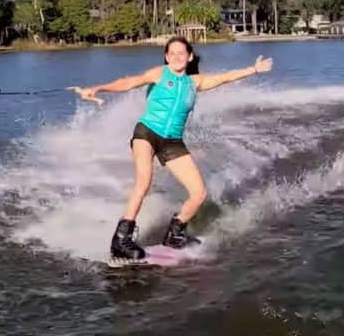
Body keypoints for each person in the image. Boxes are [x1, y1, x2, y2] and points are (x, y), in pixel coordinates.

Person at [71, 36, 273, 262]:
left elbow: (225, 78)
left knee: (199, 193)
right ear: (167, 58)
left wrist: (253, 69)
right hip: (146, 133)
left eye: (181, 53)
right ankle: (120, 240)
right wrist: (98, 88)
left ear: (189, 57)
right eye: (172, 53)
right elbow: (128, 82)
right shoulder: (159, 73)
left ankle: (174, 234)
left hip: (173, 142)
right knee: (143, 183)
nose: (177, 57)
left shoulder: (194, 82)